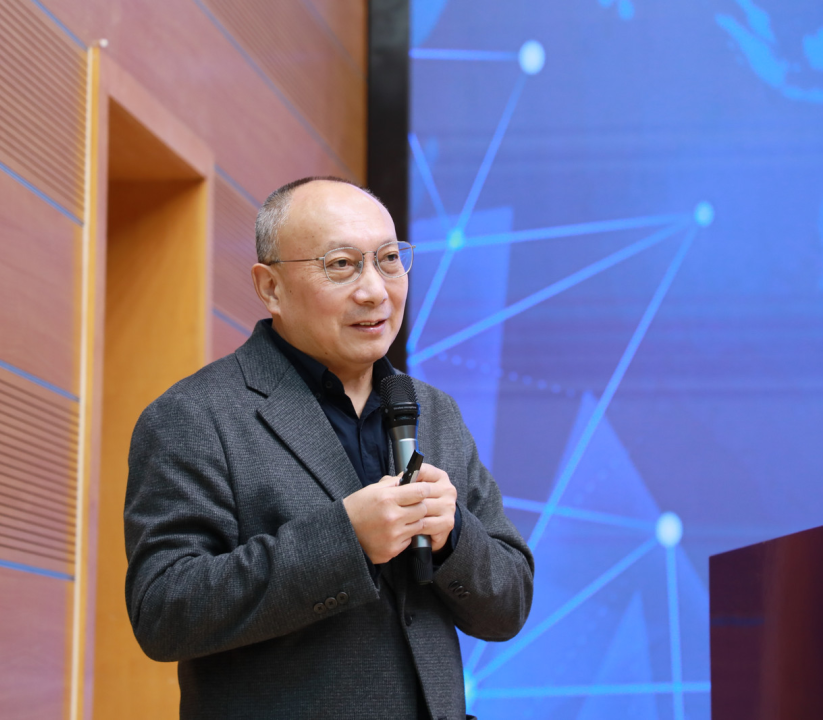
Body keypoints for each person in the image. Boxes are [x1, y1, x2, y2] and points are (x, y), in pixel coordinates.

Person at [124, 177, 534, 719]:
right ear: (270, 287)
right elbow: (163, 610)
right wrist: (346, 540)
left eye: (389, 260)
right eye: (341, 265)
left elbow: (509, 606)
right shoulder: (196, 414)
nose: (375, 290)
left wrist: (452, 535)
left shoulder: (433, 411)